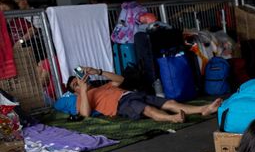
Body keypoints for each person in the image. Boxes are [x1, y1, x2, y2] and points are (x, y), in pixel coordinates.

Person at [66, 66, 221, 122]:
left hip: (131, 94)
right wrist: (83, 90)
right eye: (75, 85)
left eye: (78, 79)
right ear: (75, 91)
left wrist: (98, 71)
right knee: (146, 109)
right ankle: (172, 118)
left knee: (170, 103)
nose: (79, 82)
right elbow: (85, 114)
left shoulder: (102, 86)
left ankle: (204, 109)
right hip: (121, 105)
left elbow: (120, 79)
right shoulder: (81, 98)